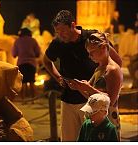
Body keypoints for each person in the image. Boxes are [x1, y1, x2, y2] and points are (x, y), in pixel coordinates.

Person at [43, 10, 122, 141]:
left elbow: (116, 61)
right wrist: (59, 78)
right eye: (57, 32)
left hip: (94, 101)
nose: (60, 35)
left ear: (72, 25)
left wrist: (112, 81)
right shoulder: (58, 43)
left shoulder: (92, 38)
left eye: (63, 31)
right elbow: (46, 61)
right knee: (70, 139)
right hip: (70, 98)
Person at [67, 32, 123, 140]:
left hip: (108, 118)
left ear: (102, 48)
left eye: (92, 52)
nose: (90, 56)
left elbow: (109, 101)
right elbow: (92, 98)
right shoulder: (99, 68)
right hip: (96, 118)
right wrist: (79, 87)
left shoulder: (113, 70)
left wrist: (88, 88)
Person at [12, 28, 41, 104]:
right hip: (31, 64)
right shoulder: (33, 40)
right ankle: (33, 100)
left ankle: (23, 100)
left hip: (21, 63)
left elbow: (14, 54)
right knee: (32, 82)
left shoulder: (17, 41)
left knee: (23, 83)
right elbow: (38, 53)